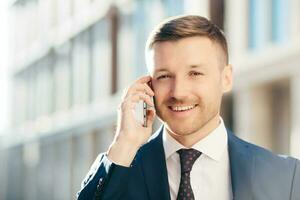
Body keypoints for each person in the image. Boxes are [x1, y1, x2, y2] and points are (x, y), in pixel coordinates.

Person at [77, 15, 300, 200]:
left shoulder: (286, 176)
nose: (178, 92)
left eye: (195, 73)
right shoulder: (120, 170)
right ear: (148, 83)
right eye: (164, 76)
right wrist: (124, 143)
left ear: (226, 78)